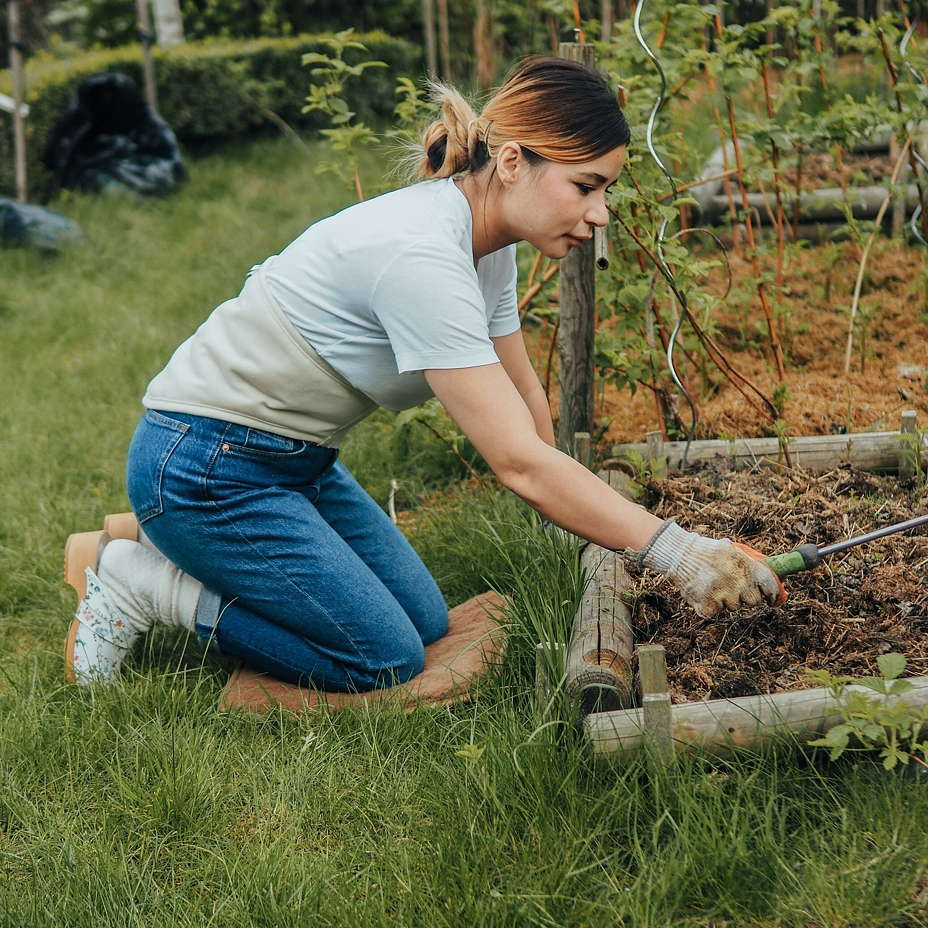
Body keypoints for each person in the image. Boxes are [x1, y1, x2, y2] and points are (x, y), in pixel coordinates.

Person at [63, 56, 785, 689]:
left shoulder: (486, 240)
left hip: (295, 464)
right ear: (513, 164)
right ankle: (147, 582)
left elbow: (525, 398)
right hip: (203, 465)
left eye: (605, 192)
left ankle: (179, 541)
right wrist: (679, 553)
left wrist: (577, 528)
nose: (599, 214)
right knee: (380, 657)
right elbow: (518, 464)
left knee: (425, 617)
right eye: (585, 186)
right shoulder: (423, 257)